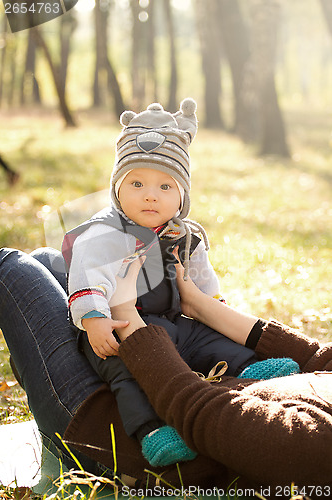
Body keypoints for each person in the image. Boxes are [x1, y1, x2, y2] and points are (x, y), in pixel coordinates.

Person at [61, 98, 299, 468]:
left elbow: (202, 279)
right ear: (117, 189)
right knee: (129, 371)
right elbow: (86, 275)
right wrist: (94, 319)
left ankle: (247, 368)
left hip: (173, 321)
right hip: (118, 325)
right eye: (136, 183)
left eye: (165, 186)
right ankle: (152, 430)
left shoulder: (184, 235)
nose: (150, 194)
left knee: (206, 338)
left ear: (182, 196)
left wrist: (211, 303)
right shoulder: (104, 233)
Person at [0, 248, 332, 497]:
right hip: (157, 377)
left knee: (10, 267)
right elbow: (316, 356)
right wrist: (199, 304)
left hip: (112, 433)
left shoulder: (316, 447)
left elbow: (196, 410)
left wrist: (126, 311)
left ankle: (59, 435)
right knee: (49, 260)